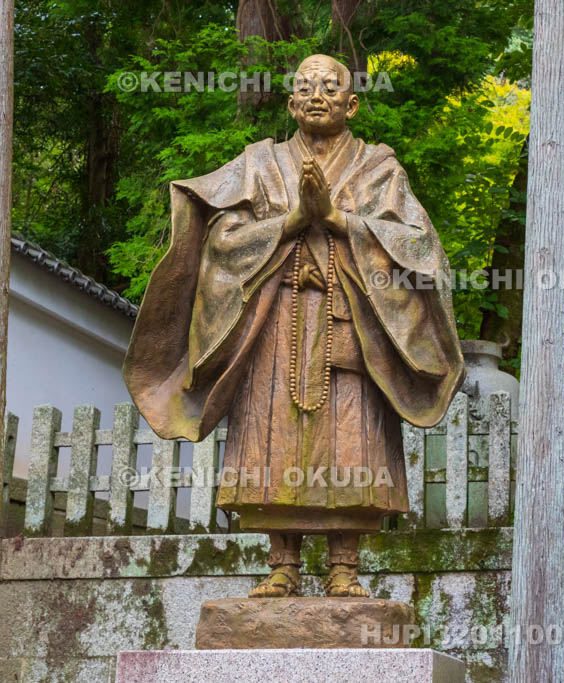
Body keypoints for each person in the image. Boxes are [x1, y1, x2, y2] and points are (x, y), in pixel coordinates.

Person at [123, 54, 464, 598]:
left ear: (352, 104)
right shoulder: (259, 164)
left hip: (350, 327)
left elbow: (420, 250)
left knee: (352, 442)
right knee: (271, 437)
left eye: (331, 86)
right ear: (289, 103)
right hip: (273, 330)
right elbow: (222, 243)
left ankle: (344, 567)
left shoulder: (380, 169)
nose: (316, 94)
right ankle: (281, 562)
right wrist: (291, 222)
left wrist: (336, 220)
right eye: (304, 86)